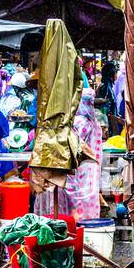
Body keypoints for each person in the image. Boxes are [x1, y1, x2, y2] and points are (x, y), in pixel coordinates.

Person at [35, 86, 103, 221]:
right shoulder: (84, 124)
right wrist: (74, 204)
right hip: (79, 184)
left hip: (78, 183)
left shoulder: (81, 123)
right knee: (78, 226)